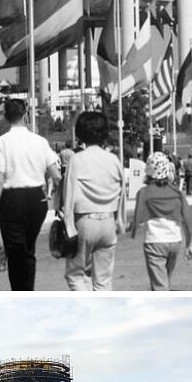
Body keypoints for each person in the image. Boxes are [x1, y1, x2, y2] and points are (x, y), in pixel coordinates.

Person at [0, 98, 62, 291]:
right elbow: (57, 175)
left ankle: (20, 291)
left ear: (5, 117)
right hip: (37, 199)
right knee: (29, 249)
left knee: (14, 250)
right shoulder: (40, 141)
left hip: (13, 200)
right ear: (25, 114)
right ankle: (28, 289)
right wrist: (60, 204)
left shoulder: (1, 143)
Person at [62, 110, 125, 291]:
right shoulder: (113, 160)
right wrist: (120, 221)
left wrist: (68, 224)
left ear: (80, 132)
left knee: (76, 274)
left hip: (84, 221)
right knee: (104, 279)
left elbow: (70, 192)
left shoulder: (78, 159)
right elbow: (122, 192)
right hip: (108, 221)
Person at [131, 151, 192, 291]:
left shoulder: (144, 193)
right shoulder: (177, 193)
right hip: (175, 241)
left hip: (154, 241)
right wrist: (189, 245)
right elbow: (187, 220)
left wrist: (133, 229)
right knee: (166, 281)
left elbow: (138, 218)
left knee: (160, 286)